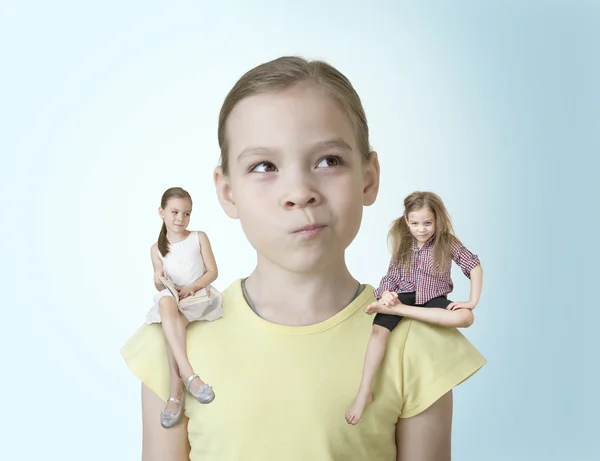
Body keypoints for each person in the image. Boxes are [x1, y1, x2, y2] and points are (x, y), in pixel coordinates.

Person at [121, 56, 486, 461]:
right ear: (228, 193)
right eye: (264, 166)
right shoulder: (173, 342)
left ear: (369, 177)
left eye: (328, 160)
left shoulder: (416, 341)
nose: (299, 191)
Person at [345, 191, 483, 425]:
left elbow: (474, 266)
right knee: (379, 331)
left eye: (427, 223)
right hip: (404, 294)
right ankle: (364, 392)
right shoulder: (404, 245)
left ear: (437, 220)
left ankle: (399, 310)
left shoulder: (447, 242)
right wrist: (385, 294)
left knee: (466, 317)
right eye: (415, 223)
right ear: (407, 220)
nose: (421, 229)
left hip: (433, 297)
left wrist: (472, 301)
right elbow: (391, 276)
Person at [145, 187, 223, 429]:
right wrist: (160, 277)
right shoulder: (156, 249)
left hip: (197, 297)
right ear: (162, 212)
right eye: (175, 212)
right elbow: (159, 285)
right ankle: (191, 377)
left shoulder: (198, 237)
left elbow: (212, 271)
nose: (181, 218)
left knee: (172, 331)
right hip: (173, 300)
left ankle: (175, 395)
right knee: (165, 301)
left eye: (186, 213)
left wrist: (192, 287)